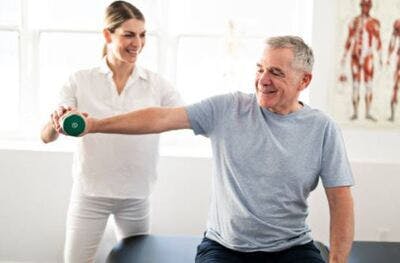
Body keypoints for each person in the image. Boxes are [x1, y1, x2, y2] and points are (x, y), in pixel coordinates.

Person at [60, 36, 354, 263]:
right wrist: (95, 124)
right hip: (225, 248)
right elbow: (160, 117)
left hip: (292, 247)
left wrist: (338, 261)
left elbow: (340, 200)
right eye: (260, 69)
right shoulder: (228, 109)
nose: (263, 80)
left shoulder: (322, 129)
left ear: (304, 80)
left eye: (276, 72)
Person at [40, 1, 182, 262]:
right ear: (108, 35)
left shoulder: (157, 85)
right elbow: (46, 136)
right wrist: (56, 121)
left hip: (136, 194)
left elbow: (182, 118)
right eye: (128, 34)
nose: (137, 43)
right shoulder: (80, 80)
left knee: (136, 260)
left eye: (142, 35)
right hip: (90, 192)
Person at [339, 0, 382, 121]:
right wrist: (344, 56)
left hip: (368, 56)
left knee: (368, 85)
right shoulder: (354, 21)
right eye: (363, 5)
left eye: (367, 6)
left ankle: (368, 112)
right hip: (355, 56)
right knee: (356, 85)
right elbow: (349, 39)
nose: (365, 8)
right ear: (360, 6)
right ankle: (355, 112)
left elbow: (378, 41)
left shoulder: (374, 23)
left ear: (370, 7)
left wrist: (380, 58)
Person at [387, 18, 400, 122]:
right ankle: (393, 115)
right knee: (395, 86)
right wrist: (388, 57)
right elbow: (392, 40)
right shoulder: (397, 23)